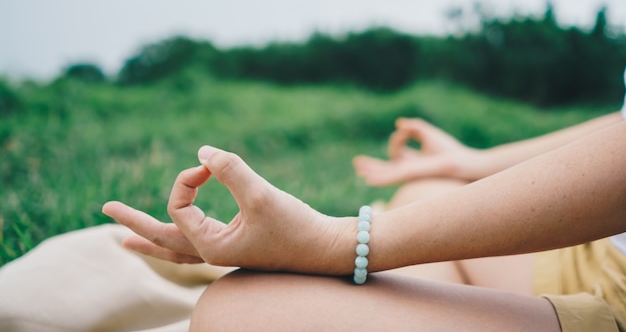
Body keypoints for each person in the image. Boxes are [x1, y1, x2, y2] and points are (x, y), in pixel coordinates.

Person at [102, 98, 626, 332]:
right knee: (427, 187)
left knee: (237, 314)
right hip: (601, 258)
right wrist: (475, 163)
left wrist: (335, 242)